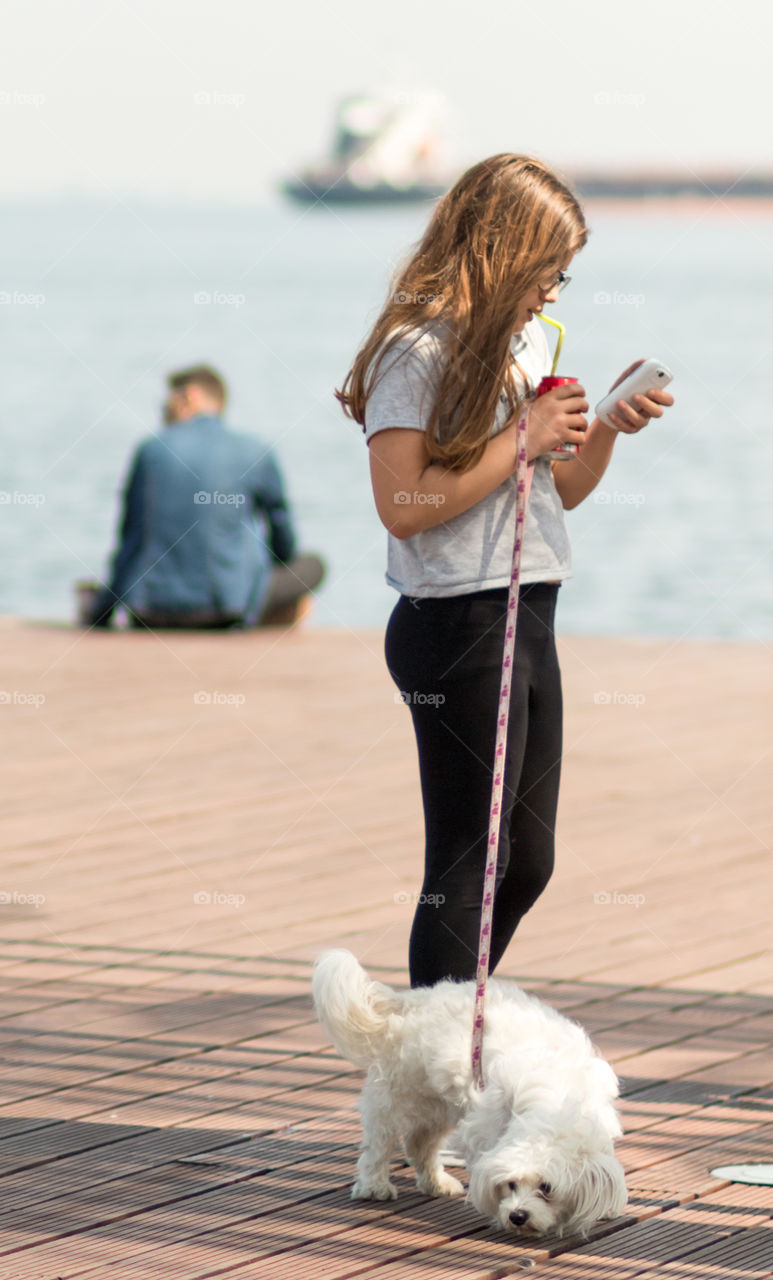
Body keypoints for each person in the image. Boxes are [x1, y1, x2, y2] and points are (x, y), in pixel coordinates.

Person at [336, 154, 674, 988]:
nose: (551, 294)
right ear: (500, 254)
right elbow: (403, 504)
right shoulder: (414, 353)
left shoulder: (517, 349)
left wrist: (602, 427)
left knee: (525, 862)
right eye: (546, 271)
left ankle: (443, 1023)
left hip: (528, 614)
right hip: (457, 622)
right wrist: (522, 435)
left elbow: (557, 492)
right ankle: (440, 1044)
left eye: (562, 275)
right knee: (467, 863)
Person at [85, 364, 325, 629]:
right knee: (314, 566)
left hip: (150, 612)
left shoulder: (151, 449)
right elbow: (284, 545)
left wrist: (100, 612)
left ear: (190, 397)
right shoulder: (256, 450)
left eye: (167, 403)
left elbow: (130, 543)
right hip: (226, 612)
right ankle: (258, 621)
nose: (163, 411)